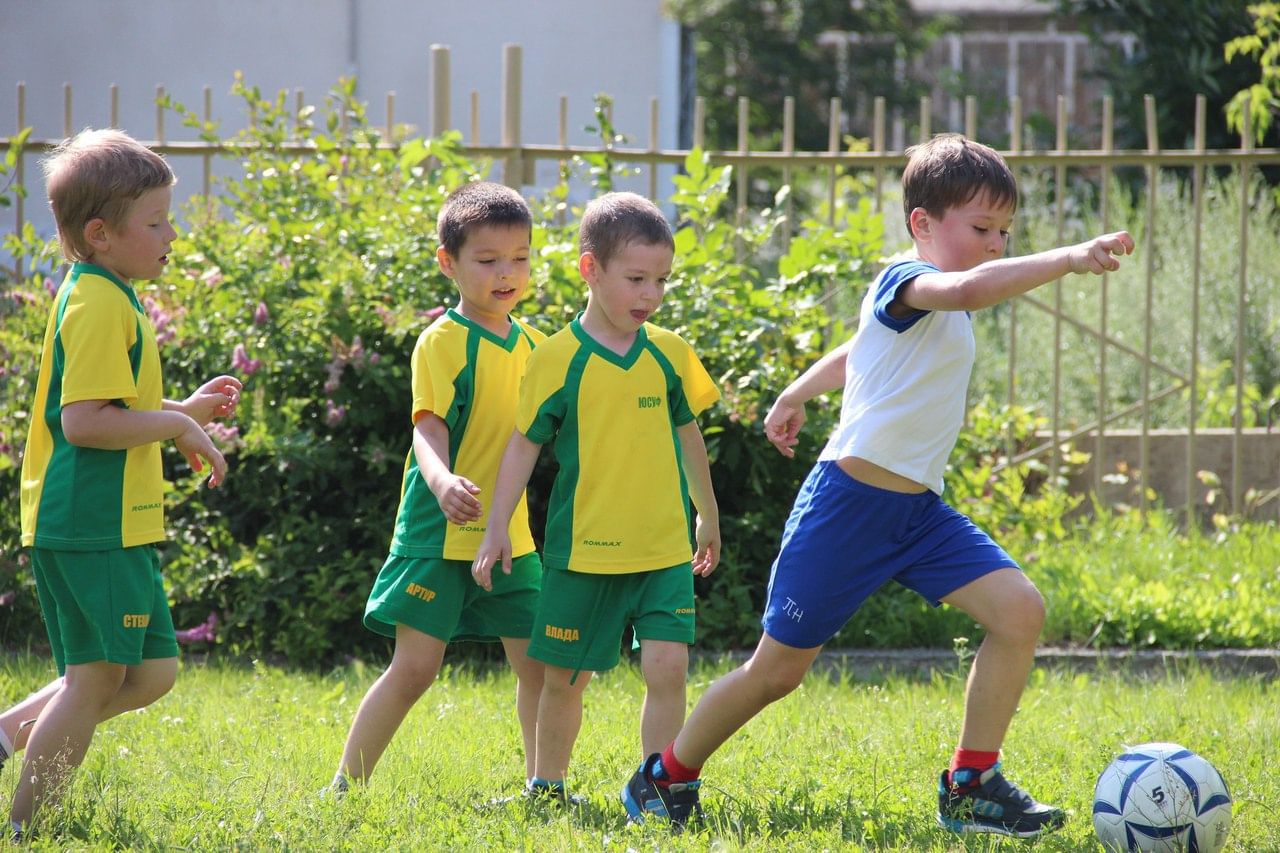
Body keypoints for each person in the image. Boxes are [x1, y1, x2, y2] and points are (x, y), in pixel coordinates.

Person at [625, 134, 1135, 836]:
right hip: (848, 508)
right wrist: (1068, 258)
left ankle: (971, 783)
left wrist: (796, 391)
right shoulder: (908, 279)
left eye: (1005, 232)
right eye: (981, 228)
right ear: (923, 223)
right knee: (775, 673)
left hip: (917, 514)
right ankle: (665, 776)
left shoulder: (928, 308)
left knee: (1019, 610)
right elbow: (964, 289)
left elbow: (860, 348)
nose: (995, 244)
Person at [9, 128, 241, 840]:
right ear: (101, 233)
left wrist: (186, 414)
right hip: (90, 519)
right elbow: (85, 424)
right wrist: (175, 426)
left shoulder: (110, 293)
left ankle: (8, 739)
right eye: (158, 221)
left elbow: (115, 405)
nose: (173, 233)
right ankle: (27, 828)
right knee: (98, 678)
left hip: (113, 520)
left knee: (151, 672)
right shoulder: (102, 303)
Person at [472, 191, 721, 806]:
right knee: (565, 679)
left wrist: (707, 514)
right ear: (591, 269)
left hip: (663, 549)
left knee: (668, 670)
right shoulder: (555, 359)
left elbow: (689, 436)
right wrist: (497, 525)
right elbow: (522, 448)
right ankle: (546, 788)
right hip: (584, 554)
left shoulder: (669, 353)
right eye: (636, 278)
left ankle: (658, 789)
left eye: (661, 280)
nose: (650, 295)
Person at [330, 182, 547, 795]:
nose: (506, 273)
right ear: (448, 262)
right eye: (488, 260)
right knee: (416, 669)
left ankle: (542, 786)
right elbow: (428, 432)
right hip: (439, 530)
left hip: (510, 536)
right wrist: (444, 480)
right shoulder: (443, 341)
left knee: (540, 665)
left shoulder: (536, 346)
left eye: (520, 258)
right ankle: (346, 785)